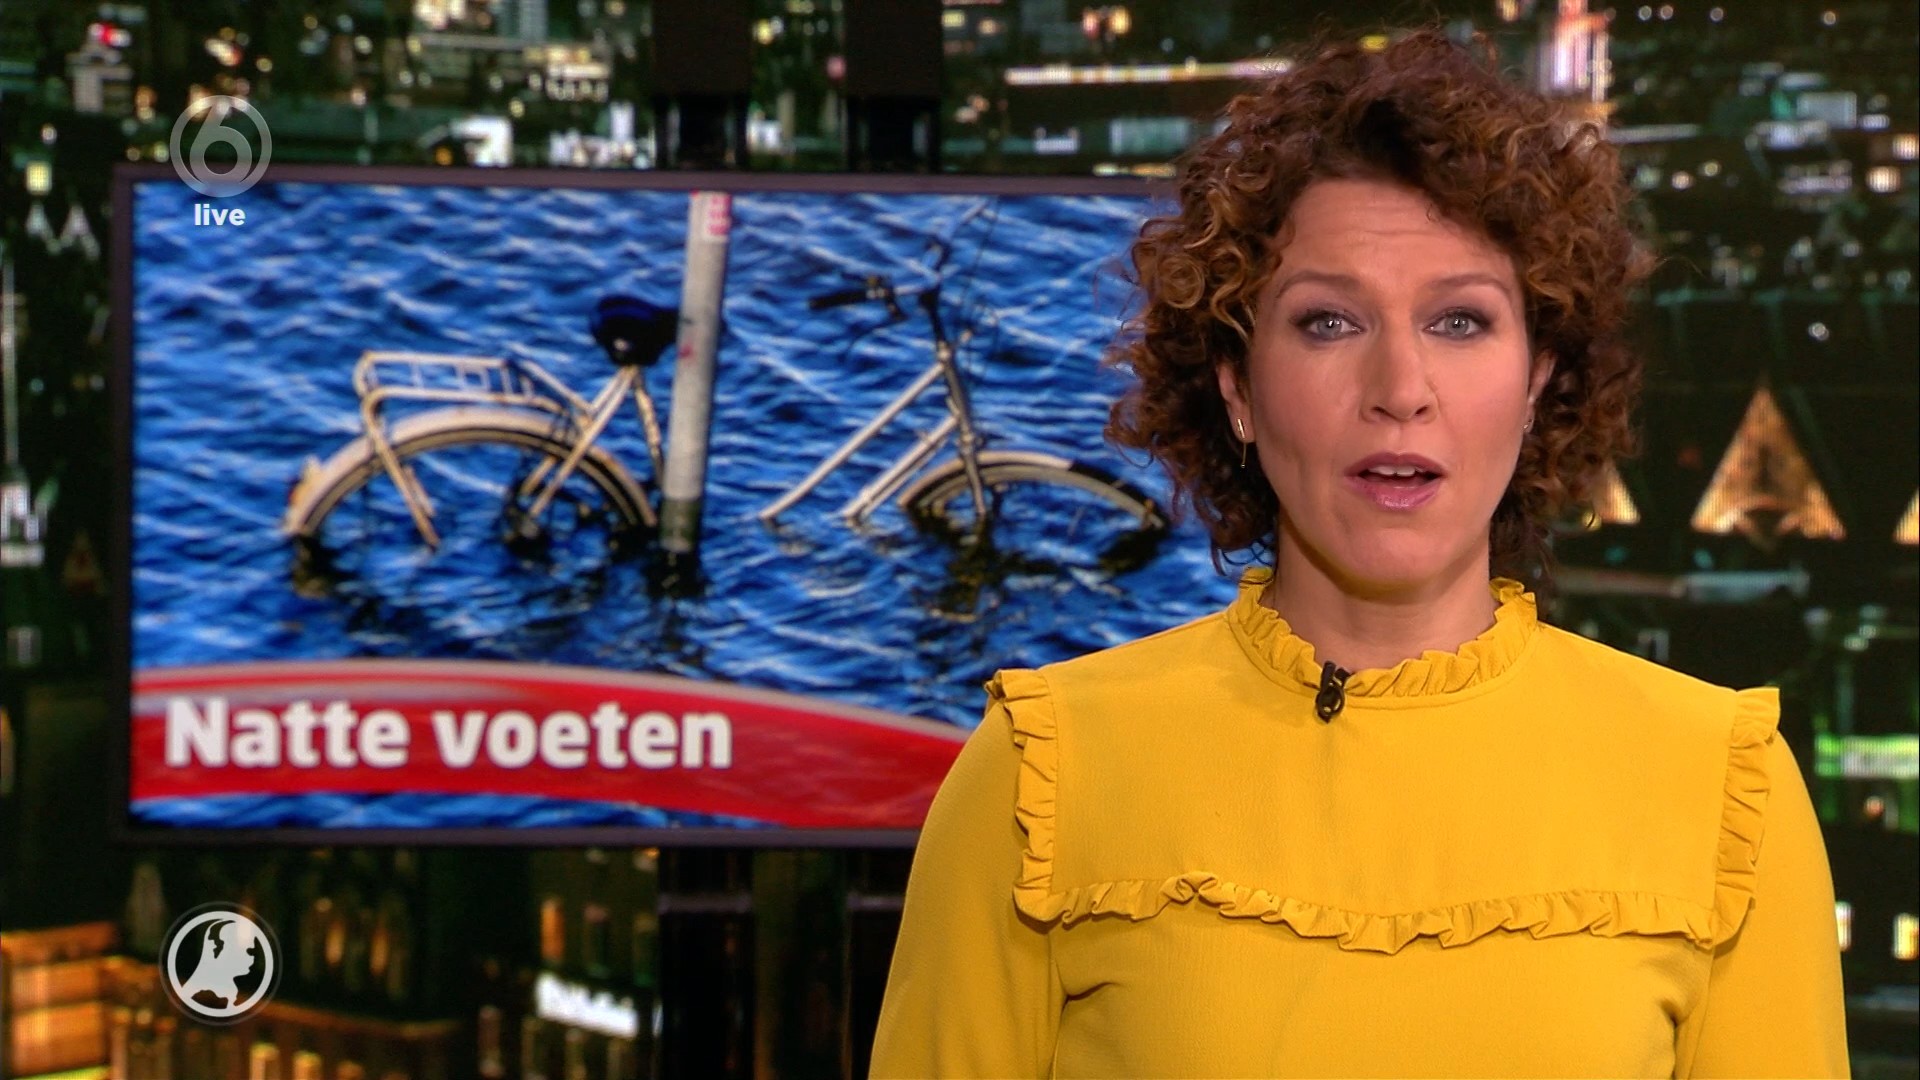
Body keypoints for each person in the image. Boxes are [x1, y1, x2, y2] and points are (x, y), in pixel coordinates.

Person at [869, 25, 1849, 1079]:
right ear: (1239, 389)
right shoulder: (1041, 775)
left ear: (1537, 381)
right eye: (1329, 323)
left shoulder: (1720, 787)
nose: (1400, 389)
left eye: (1460, 322)